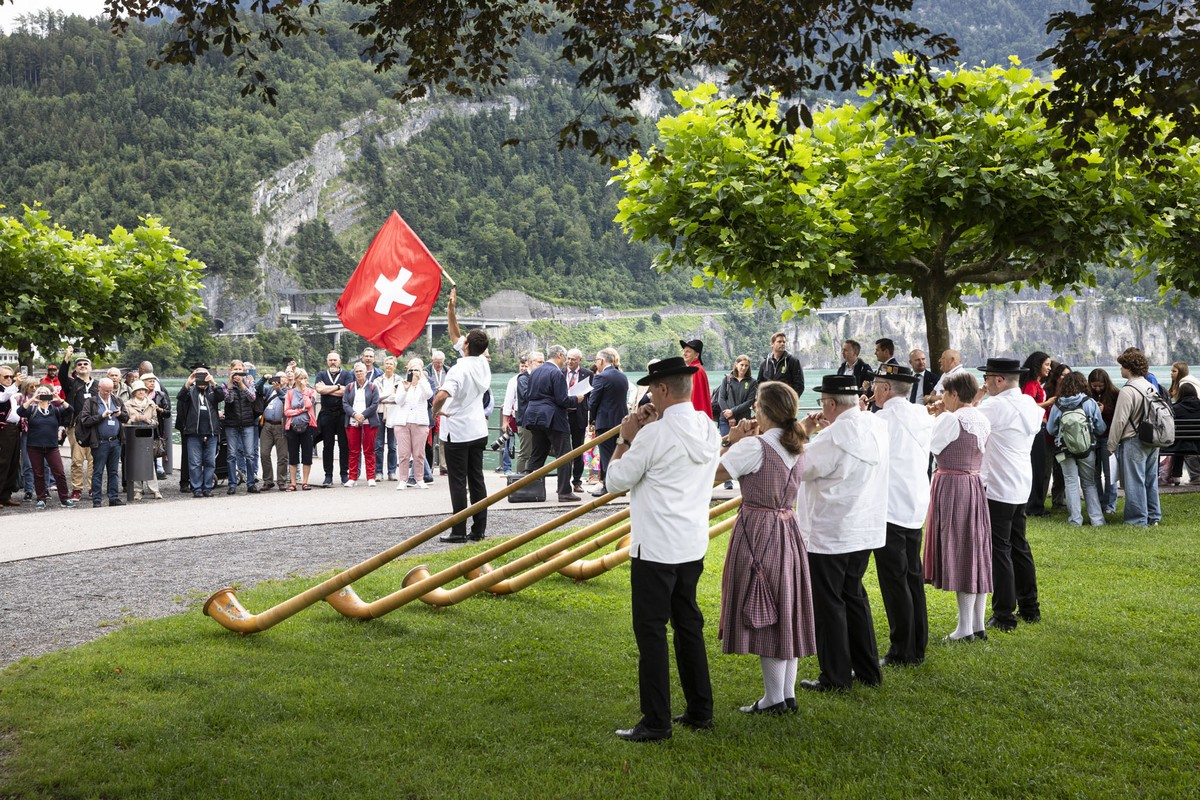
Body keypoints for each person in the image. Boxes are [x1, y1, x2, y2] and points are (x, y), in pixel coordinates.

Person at [606, 356, 721, 742]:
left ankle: (656, 720)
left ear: (664, 390)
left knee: (651, 632)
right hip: (691, 542)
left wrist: (625, 438)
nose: (649, 394)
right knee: (688, 625)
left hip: (656, 546)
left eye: (652, 388)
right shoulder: (707, 427)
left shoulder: (653, 436)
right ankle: (700, 709)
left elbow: (615, 480)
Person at [713, 381, 816, 715]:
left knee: (766, 606)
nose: (753, 408)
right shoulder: (798, 443)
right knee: (784, 605)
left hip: (758, 529)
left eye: (757, 403)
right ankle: (784, 694)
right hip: (788, 527)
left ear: (764, 409)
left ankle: (775, 698)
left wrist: (732, 442)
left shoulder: (754, 447)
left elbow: (710, 475)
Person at [797, 374, 888, 693]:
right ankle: (868, 669)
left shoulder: (831, 438)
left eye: (823, 402)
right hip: (864, 526)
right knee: (854, 595)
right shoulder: (875, 425)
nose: (822, 407)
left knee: (829, 604)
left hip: (831, 530)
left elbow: (799, 469)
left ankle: (835, 676)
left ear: (832, 404)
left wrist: (805, 434)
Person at [871, 364, 933, 668]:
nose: (871, 391)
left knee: (895, 581)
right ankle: (917, 644)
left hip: (890, 507)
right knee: (912, 577)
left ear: (886, 388)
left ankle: (901, 650)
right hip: (915, 503)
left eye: (874, 385)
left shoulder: (881, 420)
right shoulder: (921, 415)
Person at [977, 357, 1045, 632]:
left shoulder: (993, 406)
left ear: (999, 380)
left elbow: (969, 426)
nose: (985, 384)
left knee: (1000, 549)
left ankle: (1004, 614)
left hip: (998, 484)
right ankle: (1030, 607)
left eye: (987, 379)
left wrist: (976, 399)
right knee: (1019, 545)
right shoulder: (1029, 403)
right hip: (1020, 482)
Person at [924, 371, 992, 641]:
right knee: (976, 551)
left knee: (962, 551)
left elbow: (931, 446)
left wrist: (936, 416)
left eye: (944, 394)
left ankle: (965, 627)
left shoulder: (950, 419)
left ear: (953, 394)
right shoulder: (981, 417)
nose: (941, 399)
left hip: (952, 485)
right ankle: (977, 624)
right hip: (974, 484)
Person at [432, 329, 492, 542]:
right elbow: (455, 336)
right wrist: (451, 312)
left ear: (466, 346)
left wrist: (435, 411)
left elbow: (442, 394)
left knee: (458, 481)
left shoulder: (457, 370)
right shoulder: (483, 363)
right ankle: (478, 530)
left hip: (457, 431)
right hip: (478, 429)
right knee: (477, 479)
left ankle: (458, 530)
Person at [1108, 348, 1163, 527]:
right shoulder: (1151, 386)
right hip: (1153, 438)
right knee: (1150, 478)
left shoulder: (1128, 390)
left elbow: (1119, 420)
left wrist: (1111, 444)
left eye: (1122, 366)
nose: (1120, 370)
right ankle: (1154, 516)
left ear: (1128, 367)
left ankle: (1137, 520)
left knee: (1134, 481)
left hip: (1134, 439)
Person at [1046, 372, 1107, 526]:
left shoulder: (1058, 404)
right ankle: (1097, 520)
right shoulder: (1089, 402)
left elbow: (1051, 429)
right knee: (1089, 483)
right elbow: (1100, 428)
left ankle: (1075, 519)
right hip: (1086, 448)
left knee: (1070, 482)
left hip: (1064, 449)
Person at [524, 344, 580, 503]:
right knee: (565, 454)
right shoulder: (556, 373)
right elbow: (562, 400)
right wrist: (577, 399)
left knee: (537, 453)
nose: (565, 362)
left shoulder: (535, 372)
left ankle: (528, 488)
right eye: (565, 358)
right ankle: (564, 491)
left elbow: (529, 395)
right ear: (560, 356)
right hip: (553, 418)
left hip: (533, 416)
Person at [17, 385, 76, 509]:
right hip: (34, 446)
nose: (42, 394)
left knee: (59, 473)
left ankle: (64, 498)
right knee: (38, 474)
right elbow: (20, 412)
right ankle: (41, 499)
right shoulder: (32, 410)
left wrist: (58, 398)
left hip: (52, 446)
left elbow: (70, 410)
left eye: (45, 393)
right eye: (40, 392)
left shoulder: (55, 410)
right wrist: (33, 399)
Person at [176, 366, 226, 498]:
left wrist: (213, 382)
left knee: (210, 461)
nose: (202, 382)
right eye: (200, 378)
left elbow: (222, 396)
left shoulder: (212, 391)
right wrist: (188, 382)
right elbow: (180, 397)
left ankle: (207, 487)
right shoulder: (190, 390)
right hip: (193, 432)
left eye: (204, 378)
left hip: (211, 432)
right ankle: (196, 488)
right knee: (195, 463)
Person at [78, 377, 129, 507]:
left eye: (111, 390)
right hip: (100, 442)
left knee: (113, 471)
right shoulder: (91, 402)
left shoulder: (117, 400)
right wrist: (101, 416)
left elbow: (126, 417)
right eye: (106, 391)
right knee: (98, 471)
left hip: (115, 441)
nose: (108, 393)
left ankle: (113, 498)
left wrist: (119, 415)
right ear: (99, 388)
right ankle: (96, 500)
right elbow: (85, 420)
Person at [588, 347, 629, 497]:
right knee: (618, 454)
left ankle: (608, 486)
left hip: (605, 421)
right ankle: (620, 486)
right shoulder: (622, 376)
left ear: (601, 361)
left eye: (597, 360)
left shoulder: (601, 377)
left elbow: (593, 401)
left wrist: (591, 419)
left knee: (606, 455)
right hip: (620, 421)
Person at [58, 348, 98, 499]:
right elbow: (61, 375)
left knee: (94, 460)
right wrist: (67, 357)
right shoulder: (71, 383)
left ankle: (93, 487)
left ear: (90, 368)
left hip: (94, 427)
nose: (82, 366)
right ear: (75, 368)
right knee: (77, 460)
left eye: (85, 364)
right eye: (79, 364)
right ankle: (77, 488)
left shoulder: (98, 385)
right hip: (76, 426)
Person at [1020, 351, 1055, 517]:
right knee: (1037, 467)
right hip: (1035, 429)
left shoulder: (1036, 383)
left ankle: (1035, 504)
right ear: (1037, 365)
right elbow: (1028, 406)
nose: (1049, 368)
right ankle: (1034, 506)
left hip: (1039, 427)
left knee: (1039, 467)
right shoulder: (1031, 384)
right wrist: (1049, 403)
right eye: (1046, 364)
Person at [716, 355, 758, 490]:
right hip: (725, 420)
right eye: (741, 365)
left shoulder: (752, 382)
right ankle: (726, 480)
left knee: (743, 450)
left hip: (743, 420)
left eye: (746, 366)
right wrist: (729, 416)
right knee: (727, 445)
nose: (744, 368)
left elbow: (749, 402)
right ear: (736, 365)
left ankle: (744, 479)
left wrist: (732, 412)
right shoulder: (727, 379)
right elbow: (721, 399)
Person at [391, 358, 433, 490]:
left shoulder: (424, 383)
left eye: (417, 370)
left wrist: (420, 380)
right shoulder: (402, 383)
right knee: (403, 454)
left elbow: (428, 395)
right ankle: (403, 479)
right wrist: (405, 388)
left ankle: (419, 478)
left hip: (419, 422)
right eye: (412, 370)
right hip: (403, 422)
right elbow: (398, 401)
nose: (414, 372)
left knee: (419, 453)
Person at [314, 351, 354, 487]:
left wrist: (327, 389)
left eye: (335, 360)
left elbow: (347, 391)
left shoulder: (347, 374)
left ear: (339, 361)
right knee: (328, 445)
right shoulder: (321, 374)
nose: (333, 362)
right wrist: (337, 387)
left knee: (344, 445)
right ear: (327, 361)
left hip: (343, 414)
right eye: (330, 360)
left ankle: (344, 474)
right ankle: (328, 476)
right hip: (326, 414)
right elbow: (319, 390)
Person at [223, 359, 261, 494]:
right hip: (231, 424)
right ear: (231, 370)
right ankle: (232, 483)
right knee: (231, 455)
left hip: (247, 423)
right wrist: (231, 383)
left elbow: (252, 398)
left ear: (244, 371)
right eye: (236, 370)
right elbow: (228, 399)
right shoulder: (226, 385)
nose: (238, 372)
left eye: (241, 370)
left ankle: (251, 483)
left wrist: (242, 384)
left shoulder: (250, 382)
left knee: (250, 455)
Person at [342, 361, 381, 487]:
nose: (359, 373)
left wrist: (363, 415)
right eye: (357, 371)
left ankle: (371, 477)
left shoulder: (373, 387)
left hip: (369, 421)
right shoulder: (349, 387)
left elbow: (375, 404)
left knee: (369, 450)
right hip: (353, 421)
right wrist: (355, 415)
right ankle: (352, 477)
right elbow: (345, 404)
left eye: (361, 371)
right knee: (353, 450)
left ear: (366, 372)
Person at [122, 380, 163, 501]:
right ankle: (137, 491)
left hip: (147, 437)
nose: (141, 392)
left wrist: (148, 421)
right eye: (138, 390)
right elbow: (124, 421)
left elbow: (156, 422)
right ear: (134, 392)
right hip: (133, 437)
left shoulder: (151, 404)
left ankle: (155, 490)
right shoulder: (127, 404)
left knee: (149, 463)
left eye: (143, 390)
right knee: (135, 463)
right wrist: (134, 419)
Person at [1088, 369, 1120, 512]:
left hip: (1108, 437)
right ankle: (1099, 503)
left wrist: (1104, 409)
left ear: (1106, 383)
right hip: (1093, 437)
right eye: (1094, 386)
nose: (1097, 389)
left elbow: (1119, 415)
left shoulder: (1115, 394)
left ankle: (1109, 505)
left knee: (1110, 473)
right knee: (1094, 473)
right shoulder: (1088, 395)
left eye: (1100, 385)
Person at [562, 348, 593, 493]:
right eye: (568, 358)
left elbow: (591, 397)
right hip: (563, 415)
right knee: (563, 449)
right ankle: (563, 482)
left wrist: (591, 418)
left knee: (578, 449)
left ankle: (577, 481)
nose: (570, 362)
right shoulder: (560, 372)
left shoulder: (587, 374)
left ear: (580, 360)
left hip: (579, 415)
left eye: (573, 359)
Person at [1, 370, 31, 508]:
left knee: (13, 463)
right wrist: (16, 384)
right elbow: (2, 398)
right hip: (3, 429)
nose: (9, 379)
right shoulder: (6, 391)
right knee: (3, 462)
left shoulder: (12, 392)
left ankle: (5, 495)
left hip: (14, 429)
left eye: (10, 377)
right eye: (5, 377)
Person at [283, 369, 318, 490]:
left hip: (307, 426)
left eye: (305, 378)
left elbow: (308, 405)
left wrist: (304, 391)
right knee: (293, 454)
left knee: (307, 453)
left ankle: (305, 481)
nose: (303, 380)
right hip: (292, 426)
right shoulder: (290, 393)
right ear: (296, 379)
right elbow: (287, 411)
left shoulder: (311, 392)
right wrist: (299, 411)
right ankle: (293, 483)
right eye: (301, 378)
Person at [374, 356, 405, 481]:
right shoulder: (377, 380)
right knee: (379, 444)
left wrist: (386, 396)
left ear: (395, 366)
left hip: (394, 413)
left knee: (392, 445)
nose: (388, 366)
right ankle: (378, 472)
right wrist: (390, 394)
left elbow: (399, 396)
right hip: (380, 412)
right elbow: (377, 397)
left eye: (391, 364)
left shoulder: (399, 380)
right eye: (386, 363)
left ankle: (392, 471)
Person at [258, 372, 289, 491]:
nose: (280, 379)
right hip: (267, 424)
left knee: (282, 455)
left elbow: (286, 400)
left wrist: (279, 390)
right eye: (277, 377)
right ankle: (268, 480)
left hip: (281, 425)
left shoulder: (289, 391)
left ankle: (281, 480)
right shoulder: (269, 389)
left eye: (282, 377)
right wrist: (263, 379)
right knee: (264, 453)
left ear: (286, 380)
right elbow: (257, 389)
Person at [756, 331, 805, 398]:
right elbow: (759, 384)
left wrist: (791, 401)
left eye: (784, 342)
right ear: (772, 344)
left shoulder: (793, 361)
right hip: (768, 403)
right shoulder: (764, 363)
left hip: (785, 404)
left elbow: (799, 385)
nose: (782, 344)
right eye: (779, 342)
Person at [1168, 383, 1200, 484]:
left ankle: (1176, 476)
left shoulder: (1175, 408)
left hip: (1180, 444)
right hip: (1197, 443)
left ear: (1180, 394)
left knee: (1182, 441)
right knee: (1186, 441)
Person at [141, 373, 171, 480]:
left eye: (154, 381)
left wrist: (160, 409)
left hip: (156, 430)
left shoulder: (160, 395)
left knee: (154, 455)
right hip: (141, 430)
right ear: (143, 383)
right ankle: (141, 482)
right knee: (142, 456)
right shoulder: (139, 396)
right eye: (150, 381)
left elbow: (168, 413)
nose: (152, 383)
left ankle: (153, 482)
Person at [426, 349, 450, 474]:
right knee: (430, 438)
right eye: (436, 363)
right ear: (432, 361)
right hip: (431, 406)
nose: (439, 365)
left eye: (440, 363)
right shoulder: (427, 371)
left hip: (445, 406)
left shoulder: (448, 371)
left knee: (443, 437)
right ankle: (429, 466)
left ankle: (443, 466)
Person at [680, 339, 713, 418]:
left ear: (696, 355)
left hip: (695, 417)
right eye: (684, 351)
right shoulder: (695, 369)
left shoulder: (696, 371)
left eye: (688, 351)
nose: (684, 353)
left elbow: (696, 398)